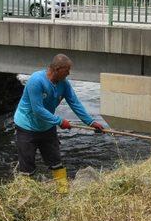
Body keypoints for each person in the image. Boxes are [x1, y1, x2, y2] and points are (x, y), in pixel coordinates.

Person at [13, 53, 105, 193]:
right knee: (27, 167)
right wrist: (59, 121)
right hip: (27, 127)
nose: (69, 73)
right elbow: (37, 110)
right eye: (66, 70)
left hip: (47, 127)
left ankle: (63, 192)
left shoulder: (64, 84)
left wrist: (90, 122)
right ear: (56, 69)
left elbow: (75, 103)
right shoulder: (36, 81)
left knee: (56, 162)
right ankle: (26, 196)